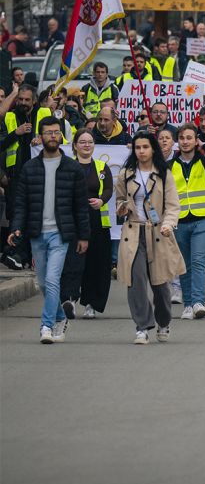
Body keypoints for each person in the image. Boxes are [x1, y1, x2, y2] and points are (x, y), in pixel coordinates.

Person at [7, 117, 91, 343]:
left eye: (56, 133)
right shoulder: (30, 168)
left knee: (53, 279)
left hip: (61, 234)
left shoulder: (72, 168)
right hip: (37, 233)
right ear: (40, 136)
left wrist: (84, 236)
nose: (53, 136)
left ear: (61, 137)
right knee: (43, 283)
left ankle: (47, 325)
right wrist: (16, 228)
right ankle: (61, 317)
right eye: (48, 133)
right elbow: (21, 203)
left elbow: (80, 206)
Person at [115, 132, 184, 343]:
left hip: (158, 232)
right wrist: (122, 208)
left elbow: (173, 205)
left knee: (160, 283)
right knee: (134, 280)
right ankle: (142, 326)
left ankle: (163, 322)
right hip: (133, 232)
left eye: (145, 147)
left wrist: (168, 224)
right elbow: (119, 199)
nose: (141, 151)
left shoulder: (164, 174)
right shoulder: (126, 174)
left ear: (153, 148)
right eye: (138, 147)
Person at [171, 124, 205, 320]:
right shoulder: (171, 164)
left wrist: (202, 145)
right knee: (184, 265)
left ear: (195, 140)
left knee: (199, 261)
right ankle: (188, 304)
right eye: (182, 138)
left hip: (202, 218)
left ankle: (199, 302)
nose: (185, 141)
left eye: (189, 138)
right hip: (180, 220)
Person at [67, 128, 114, 318]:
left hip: (97, 221)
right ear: (75, 145)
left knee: (97, 263)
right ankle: (70, 298)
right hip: (74, 221)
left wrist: (101, 200)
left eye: (90, 142)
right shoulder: (69, 166)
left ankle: (92, 304)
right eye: (82, 142)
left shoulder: (102, 166)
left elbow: (109, 188)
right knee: (74, 261)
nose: (87, 145)